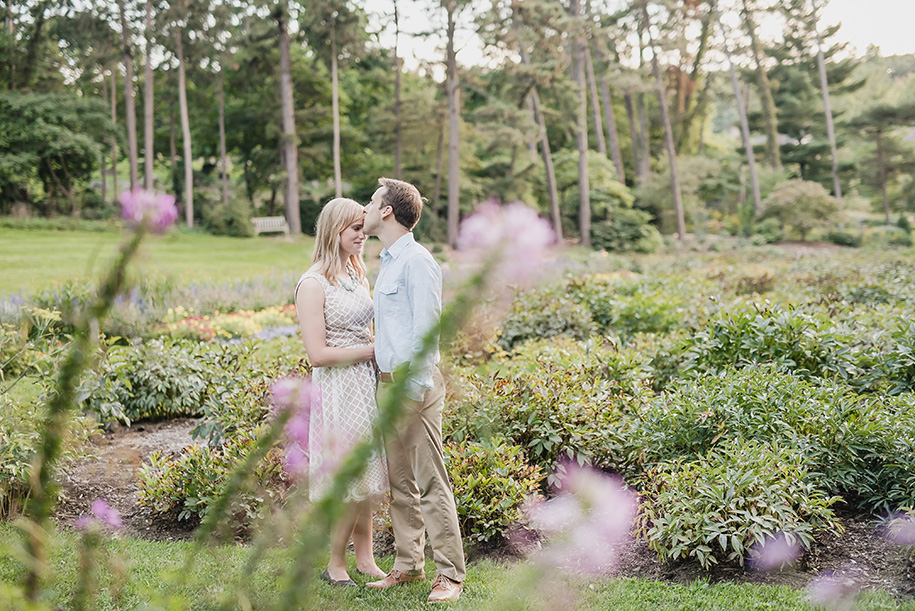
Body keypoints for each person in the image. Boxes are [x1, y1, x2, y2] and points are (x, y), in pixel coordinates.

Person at [362, 178, 466, 603]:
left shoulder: (417, 261)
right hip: (387, 385)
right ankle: (408, 566)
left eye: (372, 201)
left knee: (430, 480)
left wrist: (412, 389)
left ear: (387, 211)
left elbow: (427, 331)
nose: (365, 208)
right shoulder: (389, 260)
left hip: (413, 387)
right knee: (401, 484)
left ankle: (451, 575)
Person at [294, 197, 388, 587]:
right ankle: (335, 564)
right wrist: (374, 351)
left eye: (363, 227)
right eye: (355, 229)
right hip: (338, 387)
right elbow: (317, 354)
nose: (362, 235)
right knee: (350, 477)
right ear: (334, 231)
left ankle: (365, 558)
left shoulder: (355, 271)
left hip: (364, 383)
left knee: (365, 475)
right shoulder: (312, 283)